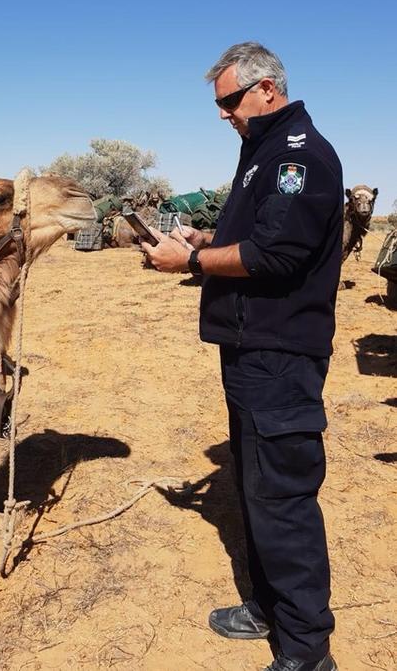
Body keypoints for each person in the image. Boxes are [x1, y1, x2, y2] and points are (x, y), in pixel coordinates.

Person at [142, 42, 342, 671]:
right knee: (256, 490)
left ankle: (308, 651)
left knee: (282, 498)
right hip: (249, 351)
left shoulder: (298, 157)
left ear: (266, 89)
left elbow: (276, 256)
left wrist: (192, 260)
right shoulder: (260, 155)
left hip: (280, 356)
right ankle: (267, 608)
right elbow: (254, 237)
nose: (223, 114)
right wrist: (205, 237)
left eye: (228, 101)